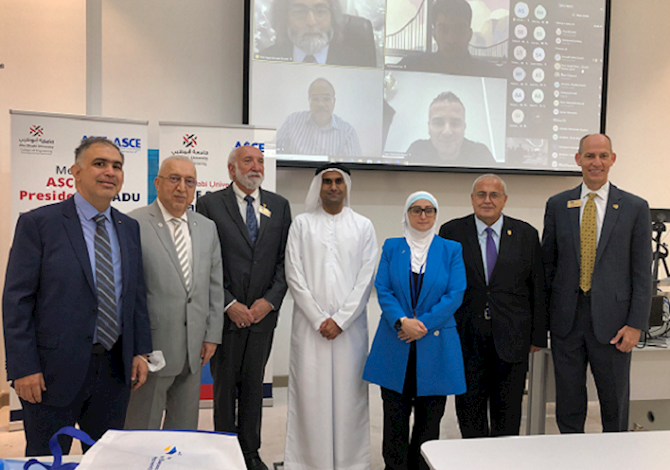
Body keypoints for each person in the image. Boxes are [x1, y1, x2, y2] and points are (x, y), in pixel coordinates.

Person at [2, 137, 152, 456]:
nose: (109, 172)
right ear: (76, 171)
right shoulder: (39, 223)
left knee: (107, 458)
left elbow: (135, 295)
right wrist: (22, 367)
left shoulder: (129, 227)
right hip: (52, 373)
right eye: (100, 164)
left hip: (114, 370)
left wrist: (141, 351)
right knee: (48, 458)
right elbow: (17, 301)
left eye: (117, 166)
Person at [542, 133, 652, 433]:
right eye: (589, 156)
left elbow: (643, 272)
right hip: (567, 323)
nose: (596, 162)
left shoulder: (634, 207)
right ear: (578, 160)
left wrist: (635, 324)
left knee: (615, 407)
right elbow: (547, 267)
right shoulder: (557, 205)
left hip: (616, 326)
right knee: (568, 406)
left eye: (603, 155)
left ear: (612, 159)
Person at [196, 145, 291, 470]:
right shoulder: (209, 204)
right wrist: (229, 303)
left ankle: (250, 453)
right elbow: (203, 261)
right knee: (224, 389)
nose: (256, 166)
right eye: (248, 161)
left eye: (260, 161)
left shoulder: (278, 206)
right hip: (225, 317)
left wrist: (270, 301)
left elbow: (284, 262)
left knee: (254, 387)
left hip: (263, 317)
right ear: (231, 169)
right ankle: (224, 455)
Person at [363, 191, 467, 470]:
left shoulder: (451, 249)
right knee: (394, 418)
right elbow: (383, 289)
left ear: (435, 214)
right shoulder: (391, 246)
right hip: (396, 342)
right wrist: (402, 321)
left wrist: (422, 326)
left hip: (435, 345)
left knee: (429, 419)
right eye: (416, 210)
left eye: (429, 210)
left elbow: (455, 293)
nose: (423, 216)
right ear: (406, 214)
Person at [284, 163, 378, 470]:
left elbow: (366, 278)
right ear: (318, 187)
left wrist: (341, 319)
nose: (334, 187)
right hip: (310, 328)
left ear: (347, 186)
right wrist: (317, 317)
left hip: (349, 330)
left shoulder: (363, 225)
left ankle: (351, 463)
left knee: (350, 399)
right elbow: (293, 274)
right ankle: (309, 463)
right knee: (310, 398)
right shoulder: (301, 224)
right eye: (327, 181)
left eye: (339, 181)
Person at [439, 174, 547, 438]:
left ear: (505, 200)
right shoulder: (451, 232)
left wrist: (538, 337)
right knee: (469, 410)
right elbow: (442, 286)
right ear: (472, 199)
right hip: (466, 337)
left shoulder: (526, 234)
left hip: (513, 338)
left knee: (508, 414)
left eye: (494, 195)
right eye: (481, 194)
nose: (487, 200)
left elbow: (538, 288)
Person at [124, 156, 224, 430]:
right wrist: (137, 347)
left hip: (194, 350)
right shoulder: (133, 224)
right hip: (151, 352)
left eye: (189, 181)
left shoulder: (206, 227)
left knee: (183, 432)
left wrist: (212, 334)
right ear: (157, 183)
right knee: (141, 431)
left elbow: (214, 285)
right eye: (174, 179)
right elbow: (128, 293)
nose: (182, 187)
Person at [396, 0, 503, 78]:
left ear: (470, 34)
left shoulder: (492, 73)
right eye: (444, 30)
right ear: (434, 35)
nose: (452, 39)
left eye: (459, 29)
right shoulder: (411, 65)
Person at [258, 0, 376, 67]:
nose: (311, 22)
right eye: (300, 12)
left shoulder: (357, 63)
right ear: (285, 18)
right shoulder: (264, 61)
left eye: (320, 11)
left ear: (333, 18)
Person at [277, 78, 362, 157]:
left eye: (326, 99)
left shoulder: (347, 132)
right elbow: (274, 153)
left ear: (334, 102)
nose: (320, 104)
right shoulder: (292, 121)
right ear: (309, 100)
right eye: (315, 99)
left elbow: (354, 169)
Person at [406, 92, 495, 167]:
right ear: (429, 128)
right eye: (438, 123)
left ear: (464, 128)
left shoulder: (481, 154)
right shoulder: (416, 151)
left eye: (455, 123)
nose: (447, 132)